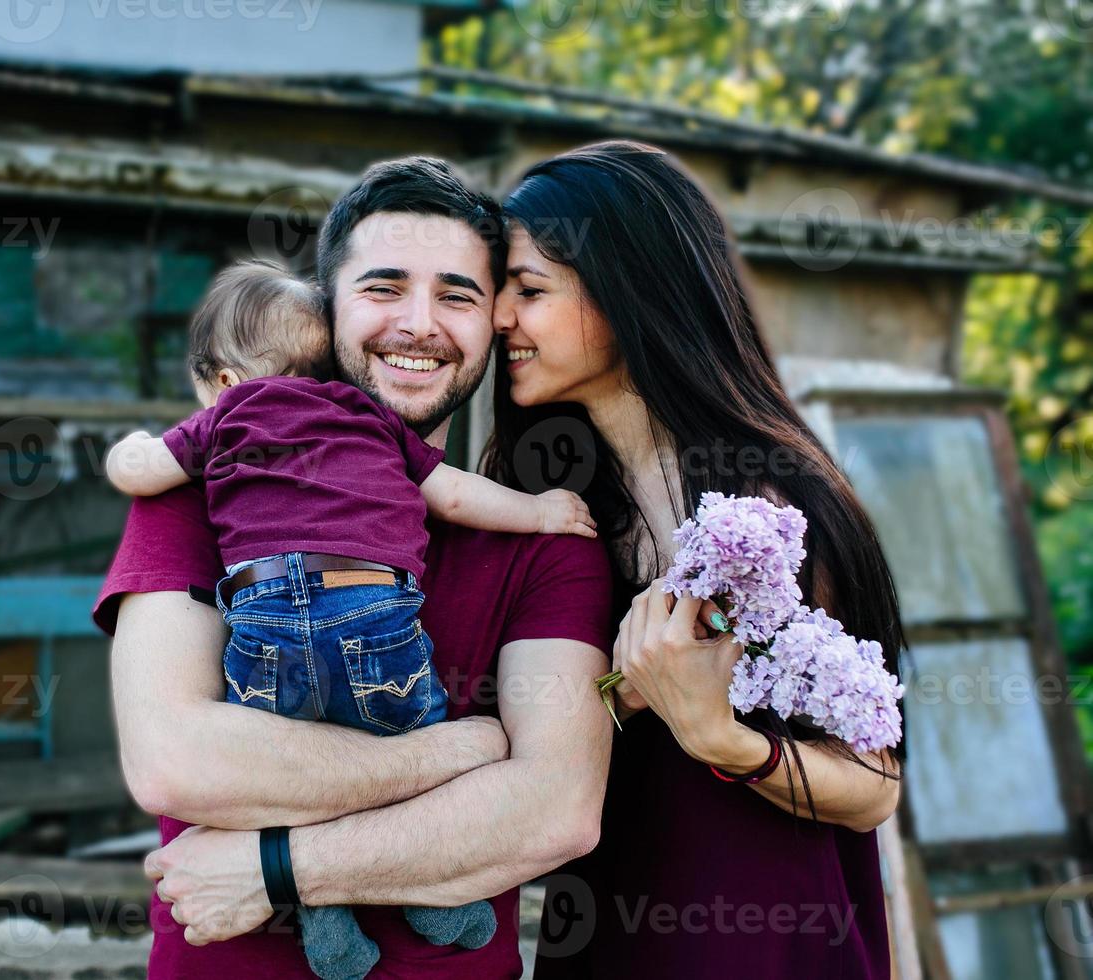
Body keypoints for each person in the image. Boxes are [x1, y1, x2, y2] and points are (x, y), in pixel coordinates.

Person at [95, 157, 614, 978]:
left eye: (456, 295)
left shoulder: (548, 546)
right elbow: (177, 762)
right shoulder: (200, 496)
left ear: (492, 326)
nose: (418, 324)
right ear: (324, 308)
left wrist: (274, 868)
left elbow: (554, 811)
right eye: (382, 288)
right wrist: (460, 756)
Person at [486, 139, 904, 978]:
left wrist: (722, 738)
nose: (500, 317)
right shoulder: (536, 502)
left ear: (628, 290)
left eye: (529, 290)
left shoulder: (781, 508)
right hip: (605, 930)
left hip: (768, 939)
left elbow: (875, 786)